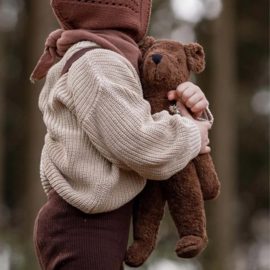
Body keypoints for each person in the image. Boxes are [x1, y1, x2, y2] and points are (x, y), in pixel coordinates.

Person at [31, 1, 212, 269]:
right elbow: (137, 142)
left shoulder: (109, 56)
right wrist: (191, 134)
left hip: (89, 224)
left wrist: (191, 111)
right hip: (84, 228)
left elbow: (143, 115)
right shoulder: (99, 61)